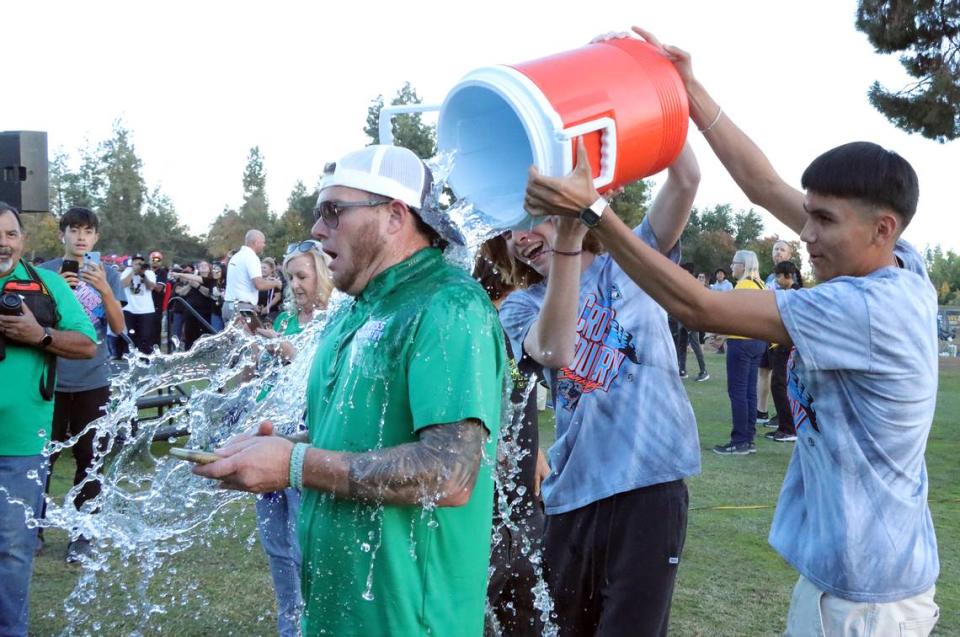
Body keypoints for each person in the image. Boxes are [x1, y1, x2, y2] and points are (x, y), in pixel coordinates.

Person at [524, 26, 940, 635]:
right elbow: (764, 185)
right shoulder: (897, 259)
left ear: (883, 227)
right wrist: (687, 90)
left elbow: (700, 308)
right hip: (852, 578)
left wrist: (594, 214)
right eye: (811, 214)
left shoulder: (869, 307)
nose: (807, 234)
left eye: (823, 221)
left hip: (869, 599)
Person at [194, 145, 505, 636]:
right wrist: (272, 449)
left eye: (333, 212)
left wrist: (293, 464)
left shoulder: (448, 304)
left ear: (394, 216)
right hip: (339, 611)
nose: (318, 230)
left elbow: (449, 472)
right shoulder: (350, 315)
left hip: (409, 621)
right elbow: (348, 442)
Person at [495, 140, 700, 637]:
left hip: (649, 488)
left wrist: (655, 88)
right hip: (572, 496)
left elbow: (687, 178)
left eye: (539, 218)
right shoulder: (518, 308)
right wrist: (564, 238)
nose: (526, 236)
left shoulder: (634, 259)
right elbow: (555, 351)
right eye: (516, 228)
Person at [0, 202, 97, 636]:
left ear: (22, 240)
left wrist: (38, 334)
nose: (3, 242)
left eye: (10, 233)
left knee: (14, 551)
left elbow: (86, 343)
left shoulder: (47, 285)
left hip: (22, 443)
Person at [252, 240, 333, 637]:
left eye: (302, 276)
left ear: (323, 274)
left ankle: (315, 625)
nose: (295, 285)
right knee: (276, 549)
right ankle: (290, 627)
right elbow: (264, 383)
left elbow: (334, 383)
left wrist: (292, 354)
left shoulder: (337, 323)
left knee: (305, 550)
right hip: (271, 441)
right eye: (289, 277)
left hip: (307, 449)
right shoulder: (284, 322)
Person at [39, 206, 126, 562]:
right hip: (49, 378)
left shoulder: (110, 273)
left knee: (90, 460)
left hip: (94, 380)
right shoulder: (43, 271)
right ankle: (34, 529)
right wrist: (56, 287)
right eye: (73, 230)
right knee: (42, 457)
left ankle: (83, 533)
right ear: (63, 234)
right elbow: (35, 322)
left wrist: (104, 288)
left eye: (87, 231)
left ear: (96, 237)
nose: (80, 237)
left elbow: (119, 327)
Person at [472, 248, 548, 637]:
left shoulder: (519, 319)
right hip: (487, 507)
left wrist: (534, 446)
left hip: (523, 500)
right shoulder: (477, 324)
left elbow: (521, 391)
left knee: (528, 616)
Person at [713, 249, 766, 455]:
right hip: (758, 341)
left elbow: (733, 316)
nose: (731, 266)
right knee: (749, 392)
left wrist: (719, 334)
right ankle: (749, 438)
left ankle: (739, 441)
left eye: (734, 263)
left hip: (741, 343)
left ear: (743, 266)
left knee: (738, 392)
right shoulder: (761, 285)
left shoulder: (743, 286)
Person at [756, 239, 796, 425]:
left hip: (781, 334)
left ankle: (784, 415)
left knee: (781, 376)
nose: (778, 252)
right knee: (764, 370)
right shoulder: (770, 279)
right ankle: (761, 411)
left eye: (782, 249)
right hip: (767, 331)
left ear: (789, 255)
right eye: (776, 249)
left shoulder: (791, 277)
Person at [763, 260, 802, 443]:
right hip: (780, 346)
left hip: (786, 347)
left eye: (779, 276)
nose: (776, 280)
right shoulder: (787, 292)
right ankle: (784, 426)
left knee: (780, 386)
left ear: (788, 276)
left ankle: (789, 429)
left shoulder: (794, 294)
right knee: (779, 386)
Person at [223, 230, 282, 323]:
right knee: (248, 337)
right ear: (256, 242)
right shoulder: (252, 257)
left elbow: (242, 283)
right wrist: (276, 283)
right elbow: (259, 285)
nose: (264, 245)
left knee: (232, 337)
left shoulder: (235, 257)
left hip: (227, 306)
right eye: (263, 242)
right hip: (242, 309)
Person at [171, 261, 215, 350]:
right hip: (190, 311)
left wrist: (197, 286)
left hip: (204, 312)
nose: (202, 267)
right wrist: (190, 285)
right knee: (189, 335)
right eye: (200, 265)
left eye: (205, 265)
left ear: (209, 268)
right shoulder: (194, 278)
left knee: (204, 335)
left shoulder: (211, 279)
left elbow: (208, 293)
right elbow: (181, 292)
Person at [120, 254, 157, 354]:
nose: (138, 264)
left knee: (145, 335)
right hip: (129, 308)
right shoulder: (127, 271)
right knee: (130, 335)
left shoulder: (149, 273)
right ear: (131, 263)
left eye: (140, 263)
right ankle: (129, 356)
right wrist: (133, 271)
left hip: (146, 310)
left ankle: (143, 356)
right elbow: (123, 284)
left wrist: (143, 275)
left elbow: (152, 287)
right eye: (136, 263)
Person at [148, 250, 169, 352]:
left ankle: (155, 352)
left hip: (156, 305)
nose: (155, 261)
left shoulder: (162, 272)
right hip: (143, 305)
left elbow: (159, 288)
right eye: (153, 259)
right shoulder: (145, 271)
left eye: (158, 259)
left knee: (155, 331)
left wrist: (145, 279)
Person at [258, 257, 284, 322]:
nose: (262, 270)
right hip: (259, 311)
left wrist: (267, 308)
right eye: (261, 268)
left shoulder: (275, 281)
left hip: (271, 312)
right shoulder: (258, 281)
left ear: (271, 269)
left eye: (264, 268)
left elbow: (278, 297)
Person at [209, 262, 226, 332]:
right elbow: (210, 294)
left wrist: (221, 293)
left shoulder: (228, 281)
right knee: (215, 331)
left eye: (217, 269)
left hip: (225, 311)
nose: (214, 271)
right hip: (215, 311)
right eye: (213, 269)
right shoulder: (212, 281)